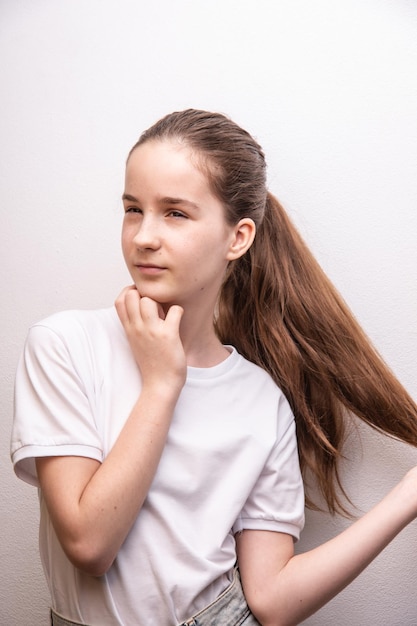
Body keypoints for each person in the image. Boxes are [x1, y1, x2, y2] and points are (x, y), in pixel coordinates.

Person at [11, 109, 417, 626]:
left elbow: (270, 599)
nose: (143, 237)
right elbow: (90, 545)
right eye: (133, 209)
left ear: (238, 238)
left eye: (175, 213)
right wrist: (162, 383)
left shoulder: (260, 399)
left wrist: (408, 495)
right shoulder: (64, 345)